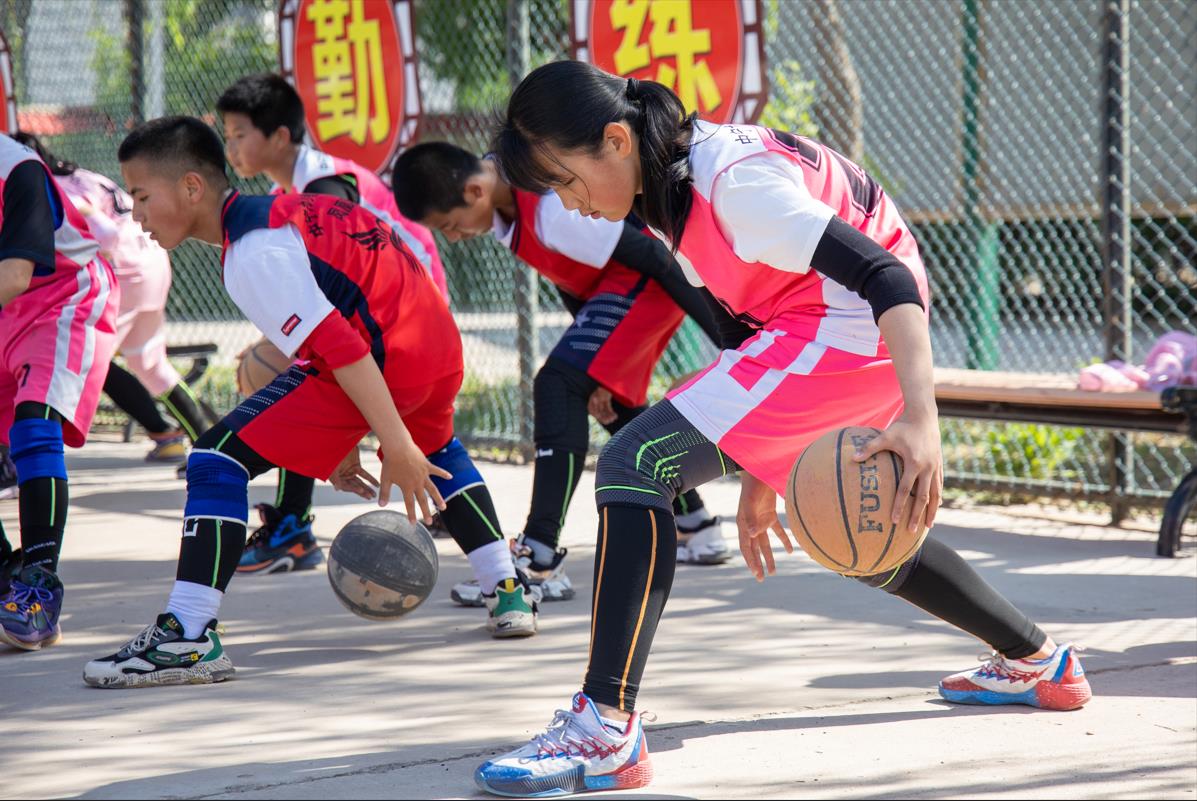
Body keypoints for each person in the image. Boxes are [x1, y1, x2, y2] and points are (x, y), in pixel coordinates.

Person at [472, 61, 1093, 796]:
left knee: (636, 462)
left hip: (854, 325)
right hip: (826, 326)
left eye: (567, 180)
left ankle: (604, 723)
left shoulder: (730, 183)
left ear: (614, 139)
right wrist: (765, 469)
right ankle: (1038, 659)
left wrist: (923, 420)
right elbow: (749, 322)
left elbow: (885, 277)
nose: (570, 205)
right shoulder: (674, 177)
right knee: (852, 528)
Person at [83, 117, 537, 689]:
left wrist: (392, 443)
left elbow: (343, 349)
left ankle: (188, 635)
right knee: (441, 446)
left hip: (383, 356)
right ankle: (509, 590)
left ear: (192, 188)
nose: (137, 217)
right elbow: (342, 331)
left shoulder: (253, 252)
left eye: (142, 197)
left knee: (215, 460)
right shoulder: (292, 212)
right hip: (435, 347)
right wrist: (347, 439)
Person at [392, 142, 733, 607]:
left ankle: (540, 555)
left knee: (557, 384)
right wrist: (593, 366)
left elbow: (657, 259)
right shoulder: (507, 209)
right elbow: (579, 279)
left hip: (650, 282)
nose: (453, 238)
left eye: (450, 226)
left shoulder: (549, 205)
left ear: (475, 190)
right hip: (620, 287)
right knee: (605, 398)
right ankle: (697, 525)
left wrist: (728, 336)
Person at [214, 73, 448, 575]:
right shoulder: (294, 186)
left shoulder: (321, 185)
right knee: (303, 377)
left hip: (405, 308)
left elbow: (349, 280)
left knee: (296, 379)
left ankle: (294, 523)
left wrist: (280, 344)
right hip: (392, 308)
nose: (230, 148)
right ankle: (302, 521)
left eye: (239, 134)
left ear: (279, 137)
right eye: (226, 136)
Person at [12, 133, 214, 468]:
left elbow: (105, 234)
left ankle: (35, 455)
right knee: (148, 363)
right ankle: (201, 442)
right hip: (152, 262)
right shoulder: (80, 176)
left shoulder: (52, 186)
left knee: (86, 359)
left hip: (123, 271)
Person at [0, 134, 118, 648]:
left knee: (33, 425)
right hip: (10, 309)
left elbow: (16, 274)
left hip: (61, 301)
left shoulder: (16, 168)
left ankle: (38, 589)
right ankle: (8, 574)